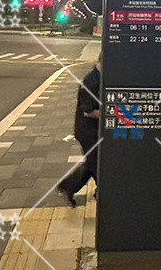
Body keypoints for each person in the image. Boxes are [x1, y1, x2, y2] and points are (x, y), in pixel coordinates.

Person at [58, 52, 101, 207]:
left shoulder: (100, 78)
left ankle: (68, 187)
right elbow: (87, 111)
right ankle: (101, 191)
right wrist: (112, 114)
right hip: (87, 131)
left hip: (94, 130)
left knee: (94, 162)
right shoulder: (91, 81)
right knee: (97, 164)